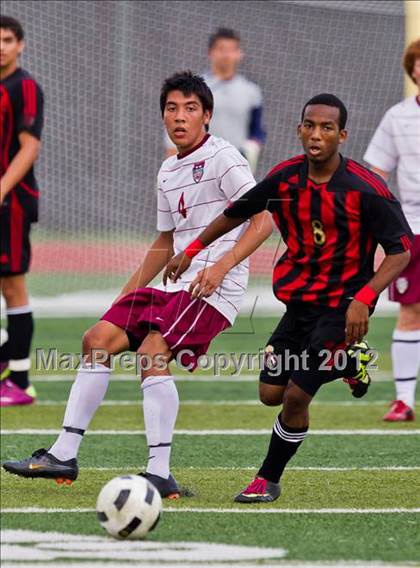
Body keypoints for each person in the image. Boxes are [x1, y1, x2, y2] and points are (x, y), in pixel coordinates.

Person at [3, 71, 273, 498]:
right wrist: (127, 293)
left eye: (189, 108)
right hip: (172, 282)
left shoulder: (226, 158)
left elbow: (263, 219)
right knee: (97, 338)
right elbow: (166, 241)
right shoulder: (168, 169)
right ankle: (63, 453)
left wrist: (220, 267)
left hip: (211, 289)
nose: (179, 117)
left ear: (207, 115)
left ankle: (159, 472)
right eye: (171, 108)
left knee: (152, 351)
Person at [164, 93, 413, 503]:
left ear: (342, 135)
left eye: (327, 128)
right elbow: (237, 212)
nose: (317, 135)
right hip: (299, 305)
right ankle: (351, 361)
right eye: (310, 126)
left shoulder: (365, 189)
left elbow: (401, 250)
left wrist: (365, 296)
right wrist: (190, 250)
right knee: (270, 394)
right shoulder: (285, 178)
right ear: (299, 130)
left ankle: (267, 479)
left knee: (297, 395)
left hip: (344, 305)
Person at [364, 39, 420, 422]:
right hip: (413, 229)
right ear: (412, 69)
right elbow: (376, 176)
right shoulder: (397, 117)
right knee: (411, 311)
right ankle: (404, 400)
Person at [0, 16, 44, 407]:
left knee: (13, 287)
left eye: (8, 40)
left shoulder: (24, 86)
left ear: (21, 45)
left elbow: (29, 147)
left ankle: (19, 381)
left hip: (11, 203)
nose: (1, 46)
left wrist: (1, 188)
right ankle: (7, 361)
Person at [165, 28, 266, 174]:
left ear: (239, 54)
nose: (226, 54)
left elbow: (257, 130)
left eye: (232, 49)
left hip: (233, 167)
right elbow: (178, 124)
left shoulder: (251, 92)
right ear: (210, 52)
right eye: (221, 49)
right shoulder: (194, 89)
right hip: (197, 165)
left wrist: (251, 150)